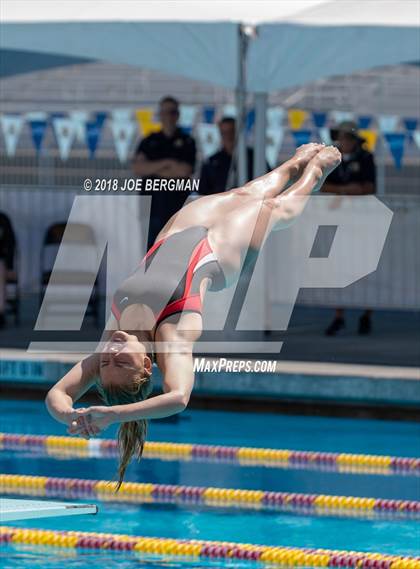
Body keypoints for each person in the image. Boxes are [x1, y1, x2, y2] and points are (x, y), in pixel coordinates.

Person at [45, 143, 341, 488]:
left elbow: (56, 395)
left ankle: (296, 162)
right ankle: (316, 174)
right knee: (271, 208)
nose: (110, 354)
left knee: (245, 191)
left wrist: (72, 415)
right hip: (218, 251)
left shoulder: (108, 348)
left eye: (105, 365)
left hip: (175, 235)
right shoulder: (171, 336)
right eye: (120, 363)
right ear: (145, 366)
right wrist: (115, 416)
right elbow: (178, 397)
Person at [321, 121, 377, 336]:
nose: (344, 141)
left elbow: (368, 187)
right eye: (341, 137)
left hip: (362, 223)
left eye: (348, 137)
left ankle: (367, 314)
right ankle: (339, 315)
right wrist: (346, 191)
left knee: (366, 268)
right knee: (337, 268)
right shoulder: (333, 160)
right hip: (339, 221)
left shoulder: (365, 158)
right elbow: (323, 185)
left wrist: (345, 193)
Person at [133, 96, 197, 248]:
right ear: (160, 114)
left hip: (177, 209)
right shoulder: (149, 140)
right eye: (165, 112)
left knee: (177, 255)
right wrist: (168, 163)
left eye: (172, 112)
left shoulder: (187, 141)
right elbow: (138, 168)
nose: (169, 116)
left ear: (178, 115)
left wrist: (153, 168)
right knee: (151, 256)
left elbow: (184, 171)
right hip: (152, 208)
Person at [199, 117, 262, 195]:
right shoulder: (211, 162)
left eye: (231, 132)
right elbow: (203, 191)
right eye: (224, 133)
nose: (228, 137)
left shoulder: (254, 157)